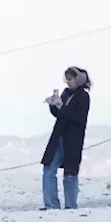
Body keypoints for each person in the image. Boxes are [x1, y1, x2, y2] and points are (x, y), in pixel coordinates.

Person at [40, 67, 91, 210]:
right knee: (48, 169)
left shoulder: (83, 97)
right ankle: (50, 204)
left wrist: (62, 107)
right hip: (59, 136)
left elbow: (78, 118)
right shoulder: (66, 94)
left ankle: (70, 205)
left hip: (72, 139)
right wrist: (53, 105)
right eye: (66, 79)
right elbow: (60, 114)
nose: (68, 82)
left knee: (70, 173)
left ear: (79, 79)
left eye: (70, 78)